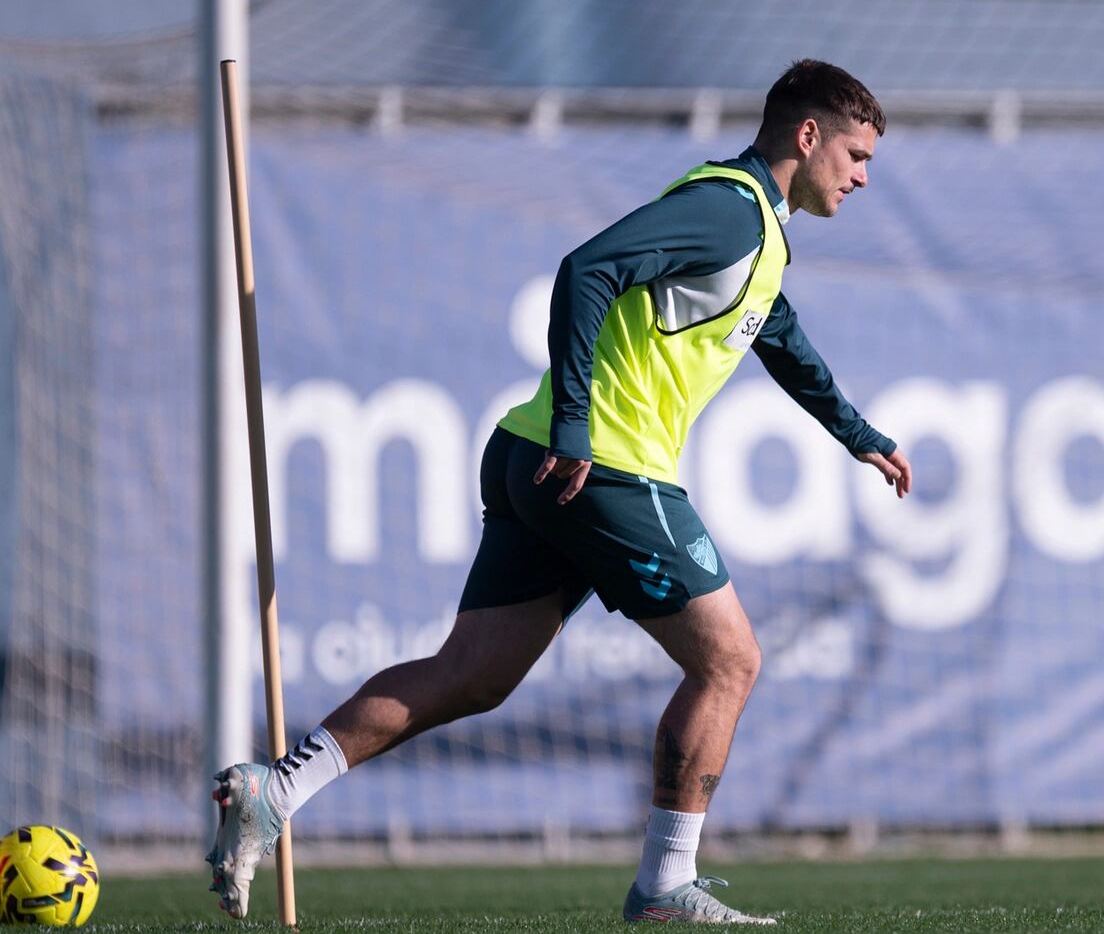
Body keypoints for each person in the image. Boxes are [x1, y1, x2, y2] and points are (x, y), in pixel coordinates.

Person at [206, 59, 911, 925]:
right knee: (730, 662)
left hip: (534, 458)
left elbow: (785, 339)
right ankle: (663, 886)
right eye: (857, 153)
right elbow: (587, 269)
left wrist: (860, 435)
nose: (864, 176)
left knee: (472, 674)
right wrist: (579, 424)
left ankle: (274, 792)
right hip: (602, 465)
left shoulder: (758, 231)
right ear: (809, 136)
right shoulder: (729, 209)